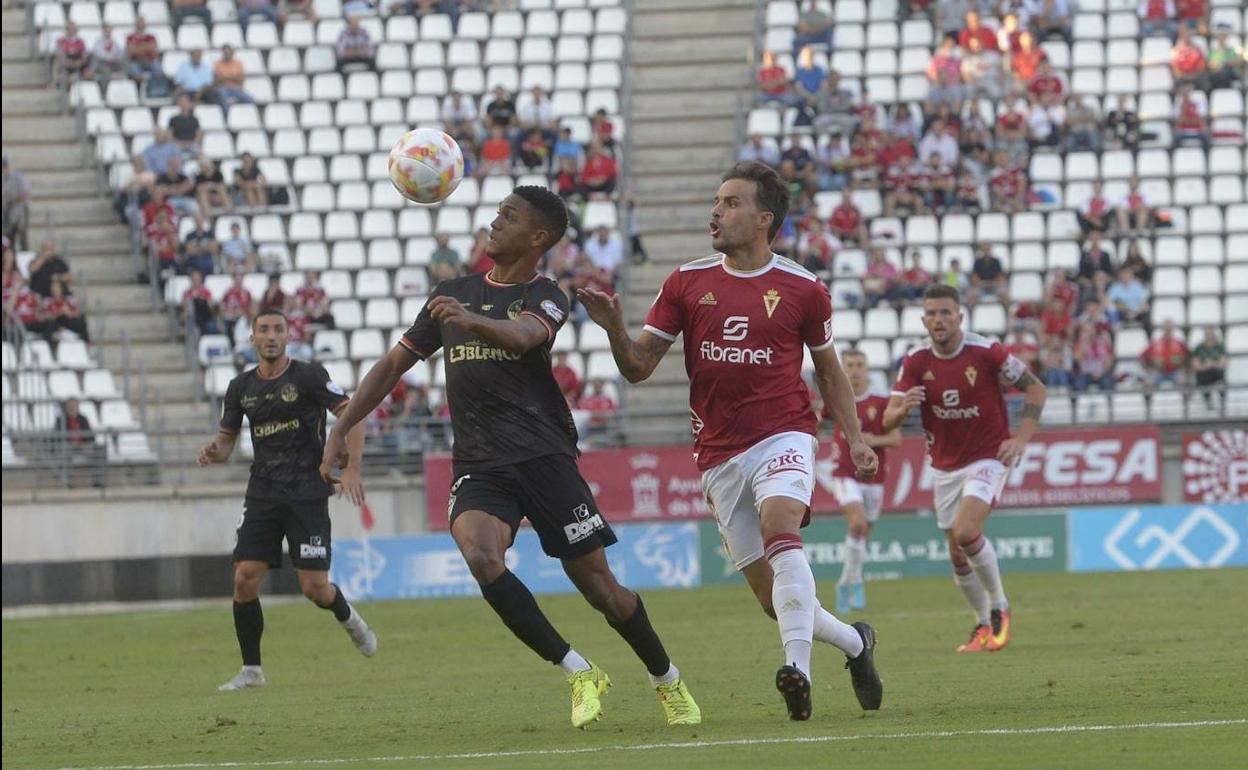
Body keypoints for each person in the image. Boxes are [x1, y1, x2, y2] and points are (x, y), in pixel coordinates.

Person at [324, 186, 701, 729]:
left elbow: (525, 336)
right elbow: (392, 365)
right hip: (480, 462)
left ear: (538, 237)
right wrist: (344, 422)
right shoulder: (451, 292)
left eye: (509, 216)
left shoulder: (548, 294)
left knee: (603, 592)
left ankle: (666, 679)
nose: (494, 222)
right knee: (481, 557)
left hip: (544, 456)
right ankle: (579, 671)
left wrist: (471, 322)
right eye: (497, 212)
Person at [578, 161, 882, 721]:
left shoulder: (804, 289)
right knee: (775, 600)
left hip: (784, 432)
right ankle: (858, 644)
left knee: (780, 523)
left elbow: (830, 369)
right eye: (717, 201)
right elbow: (640, 367)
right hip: (718, 453)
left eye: (731, 202)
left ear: (764, 219)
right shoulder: (687, 282)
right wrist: (615, 331)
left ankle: (799, 674)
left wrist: (854, 436)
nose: (716, 212)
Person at [197, 309, 375, 691]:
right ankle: (252, 671)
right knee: (244, 579)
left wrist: (354, 468)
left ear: (288, 336)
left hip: (306, 493)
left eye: (278, 329)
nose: (271, 335)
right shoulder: (239, 388)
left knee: (315, 589)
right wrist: (214, 451)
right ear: (252, 339)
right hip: (263, 492)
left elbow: (354, 416)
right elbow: (227, 443)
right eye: (264, 329)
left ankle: (349, 619)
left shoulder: (308, 377)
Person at [883, 283, 1046, 653]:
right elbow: (889, 421)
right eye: (931, 314)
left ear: (960, 316)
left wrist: (1020, 439)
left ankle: (1000, 607)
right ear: (923, 319)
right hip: (943, 466)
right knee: (957, 554)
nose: (938, 320)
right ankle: (980, 624)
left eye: (945, 313)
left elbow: (1036, 389)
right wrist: (902, 408)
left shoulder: (987, 352)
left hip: (987, 457)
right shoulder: (915, 361)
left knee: (966, 532)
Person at [829, 349, 900, 614]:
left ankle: (844, 582)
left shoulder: (881, 403)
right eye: (850, 365)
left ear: (867, 369)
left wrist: (873, 441)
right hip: (845, 472)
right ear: (843, 369)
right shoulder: (835, 399)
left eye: (860, 365)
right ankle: (856, 581)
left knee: (861, 535)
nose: (855, 370)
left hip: (874, 478)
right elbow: (815, 421)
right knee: (857, 523)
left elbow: (895, 439)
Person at [40, 278, 90, 343]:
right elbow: (44, 316)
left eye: (56, 287)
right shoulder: (47, 301)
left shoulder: (69, 299)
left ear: (61, 288)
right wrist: (59, 312)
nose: (54, 289)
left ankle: (86, 343)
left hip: (68, 322)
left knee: (81, 320)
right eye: (53, 286)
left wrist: (69, 313)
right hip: (55, 323)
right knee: (49, 323)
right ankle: (51, 345)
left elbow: (77, 313)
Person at [1141, 319, 1188, 387]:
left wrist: (1183, 369)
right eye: (1166, 328)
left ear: (1172, 329)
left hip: (1175, 372)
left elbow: (1188, 357)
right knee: (1148, 382)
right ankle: (1149, 397)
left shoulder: (1179, 343)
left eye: (1169, 328)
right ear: (1163, 329)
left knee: (1184, 381)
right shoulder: (1156, 343)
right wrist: (1149, 369)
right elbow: (1143, 357)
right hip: (1159, 372)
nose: (1167, 331)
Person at [1190, 327, 1227, 406]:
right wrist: (1205, 366)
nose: (1208, 336)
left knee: (1221, 380)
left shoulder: (1219, 347)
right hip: (1203, 375)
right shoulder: (1199, 347)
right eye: (1206, 334)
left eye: (1210, 334)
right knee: (1204, 379)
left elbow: (1224, 363)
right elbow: (1195, 365)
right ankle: (1208, 402)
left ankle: (1222, 402)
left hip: (1216, 373)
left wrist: (1212, 363)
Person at [2, 155, 32, 251]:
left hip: (20, 211)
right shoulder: (4, 180)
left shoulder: (18, 177)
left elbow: (25, 193)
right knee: (10, 238)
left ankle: (25, 254)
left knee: (22, 236)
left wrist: (12, 200)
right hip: (9, 214)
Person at [54, 22, 91, 87]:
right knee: (63, 74)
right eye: (70, 29)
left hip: (78, 61)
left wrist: (79, 63)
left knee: (88, 73)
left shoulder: (80, 42)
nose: (72, 31)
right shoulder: (61, 41)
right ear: (66, 30)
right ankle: (67, 91)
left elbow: (84, 56)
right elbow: (60, 56)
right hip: (66, 63)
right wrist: (70, 63)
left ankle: (86, 88)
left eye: (74, 29)